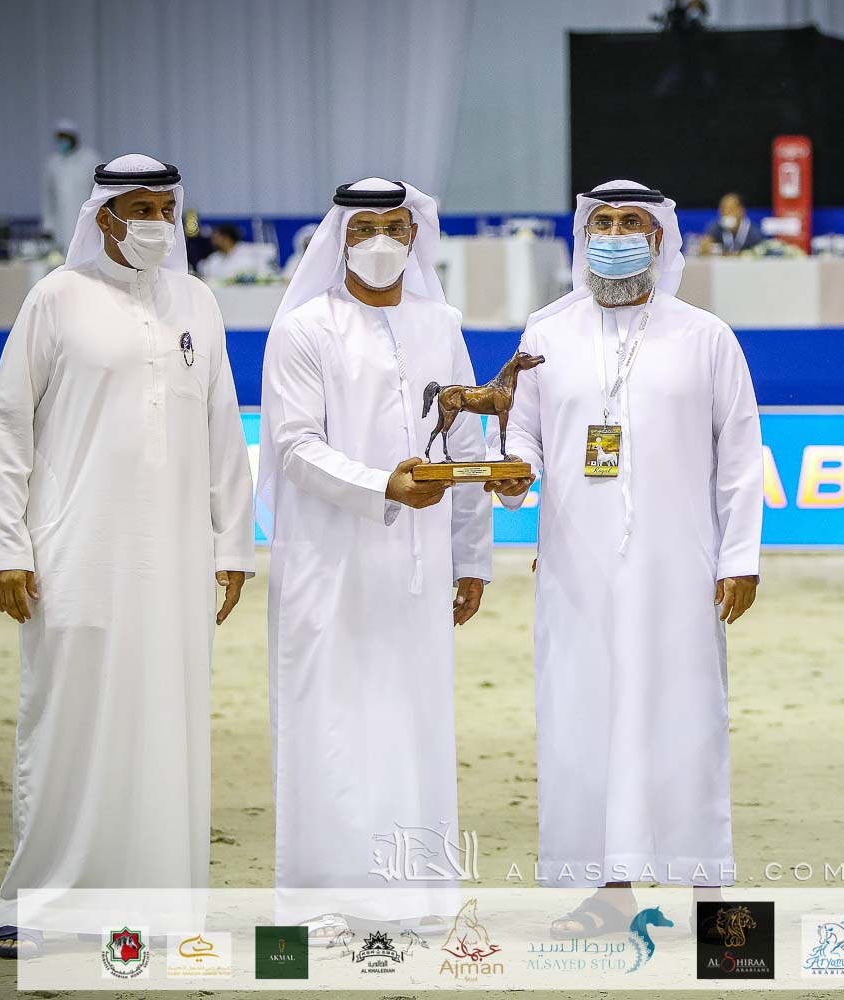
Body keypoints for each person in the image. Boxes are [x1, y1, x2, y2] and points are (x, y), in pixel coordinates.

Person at [0, 154, 255, 958]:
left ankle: (159, 905)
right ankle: (34, 904)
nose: (156, 224)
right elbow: (8, 425)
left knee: (167, 726)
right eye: (139, 209)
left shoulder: (197, 302)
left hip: (177, 559)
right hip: (74, 553)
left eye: (166, 209)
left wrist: (233, 543)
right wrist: (5, 546)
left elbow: (223, 427)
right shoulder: (55, 299)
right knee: (65, 721)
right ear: (102, 216)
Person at [489, 180, 764, 935]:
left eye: (631, 223)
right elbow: (522, 434)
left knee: (689, 722)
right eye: (602, 222)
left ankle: (712, 900)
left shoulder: (705, 336)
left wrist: (739, 556)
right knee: (584, 722)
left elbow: (741, 455)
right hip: (575, 570)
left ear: (659, 238)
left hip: (681, 567)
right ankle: (610, 893)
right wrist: (515, 473)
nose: (615, 234)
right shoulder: (545, 332)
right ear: (584, 238)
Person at [259, 178, 506, 932]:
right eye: (364, 227)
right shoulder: (304, 329)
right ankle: (325, 900)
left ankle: (415, 897)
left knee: (412, 722)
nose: (380, 241)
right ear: (339, 238)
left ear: (415, 236)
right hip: (328, 565)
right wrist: (382, 487)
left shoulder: (441, 324)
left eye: (395, 227)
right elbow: (293, 445)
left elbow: (465, 442)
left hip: (419, 570)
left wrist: (472, 558)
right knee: (330, 725)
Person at [42, 119, 100, 247]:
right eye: (60, 138)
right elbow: (49, 197)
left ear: (74, 138)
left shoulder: (90, 159)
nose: (63, 142)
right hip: (61, 224)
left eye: (66, 138)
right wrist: (48, 225)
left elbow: (101, 190)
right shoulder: (53, 163)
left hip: (87, 220)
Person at [197, 222, 263, 281]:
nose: (213, 242)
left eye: (216, 238)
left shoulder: (248, 252)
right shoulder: (214, 258)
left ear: (227, 238)